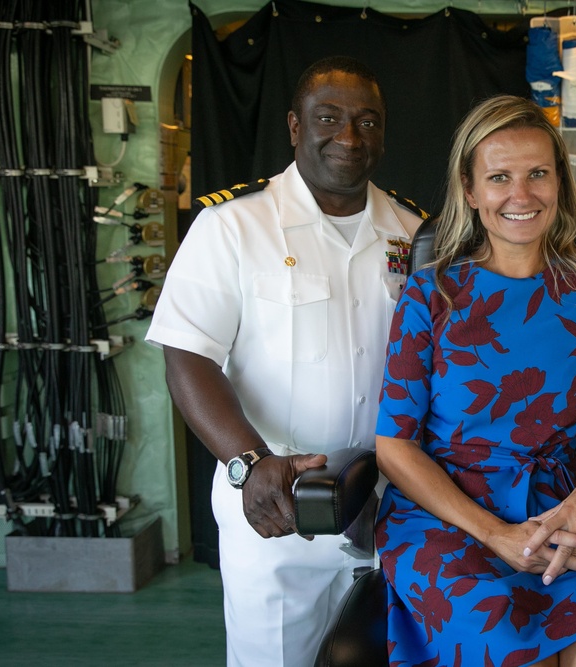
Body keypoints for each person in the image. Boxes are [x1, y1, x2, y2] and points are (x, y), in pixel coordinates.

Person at [145, 56, 425, 667]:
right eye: (329, 118)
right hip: (278, 501)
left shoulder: (414, 232)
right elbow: (188, 355)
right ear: (295, 127)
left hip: (391, 503)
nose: (349, 137)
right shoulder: (234, 225)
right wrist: (249, 461)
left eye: (367, 121)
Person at [374, 95, 576, 666]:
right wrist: (494, 535)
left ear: (560, 181)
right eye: (499, 177)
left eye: (538, 173)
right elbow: (393, 447)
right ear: (470, 190)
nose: (521, 195)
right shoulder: (430, 296)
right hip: (446, 516)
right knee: (513, 650)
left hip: (556, 508)